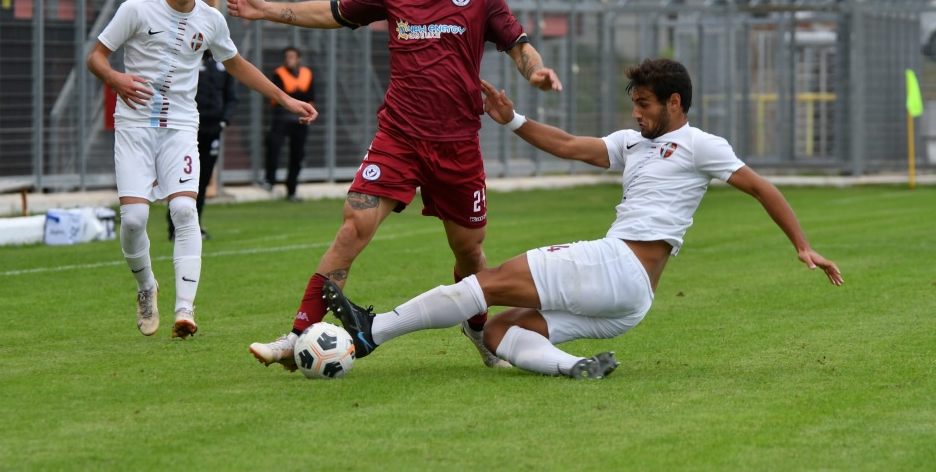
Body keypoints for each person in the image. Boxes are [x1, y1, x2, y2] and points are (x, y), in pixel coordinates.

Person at [322, 58, 844, 379]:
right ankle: (575, 367)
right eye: (634, 104)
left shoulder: (701, 145)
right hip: (631, 303)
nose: (636, 114)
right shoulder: (633, 143)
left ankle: (374, 330)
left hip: (619, 266)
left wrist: (802, 245)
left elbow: (761, 187)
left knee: (485, 283)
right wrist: (515, 120)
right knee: (501, 332)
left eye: (644, 104)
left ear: (675, 102)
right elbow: (571, 145)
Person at [227, 0, 562, 372]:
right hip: (399, 136)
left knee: (469, 252)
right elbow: (335, 11)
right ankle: (299, 334)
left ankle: (478, 327)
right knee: (353, 228)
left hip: (457, 145)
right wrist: (267, 10)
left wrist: (536, 74)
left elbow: (519, 46)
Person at [86, 0, 317, 340]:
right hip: (135, 126)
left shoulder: (211, 20)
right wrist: (114, 77)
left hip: (179, 127)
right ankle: (146, 288)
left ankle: (184, 310)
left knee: (184, 212)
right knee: (135, 219)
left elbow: (237, 64)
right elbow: (96, 56)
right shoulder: (136, 9)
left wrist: (283, 98)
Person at [166, 49, 238, 242]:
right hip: (189, 128)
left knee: (203, 179)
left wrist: (224, 121)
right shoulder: (187, 60)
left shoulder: (223, 65)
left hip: (213, 129)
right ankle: (175, 226)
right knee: (183, 177)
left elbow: (231, 96)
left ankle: (194, 225)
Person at [261, 46, 315, 201]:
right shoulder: (279, 73)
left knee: (297, 154)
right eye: (287, 56)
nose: (288, 59)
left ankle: (292, 190)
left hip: (300, 119)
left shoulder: (307, 74)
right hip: (281, 118)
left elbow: (309, 96)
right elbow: (278, 97)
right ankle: (269, 180)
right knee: (274, 147)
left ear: (298, 59)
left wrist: (294, 100)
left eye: (292, 56)